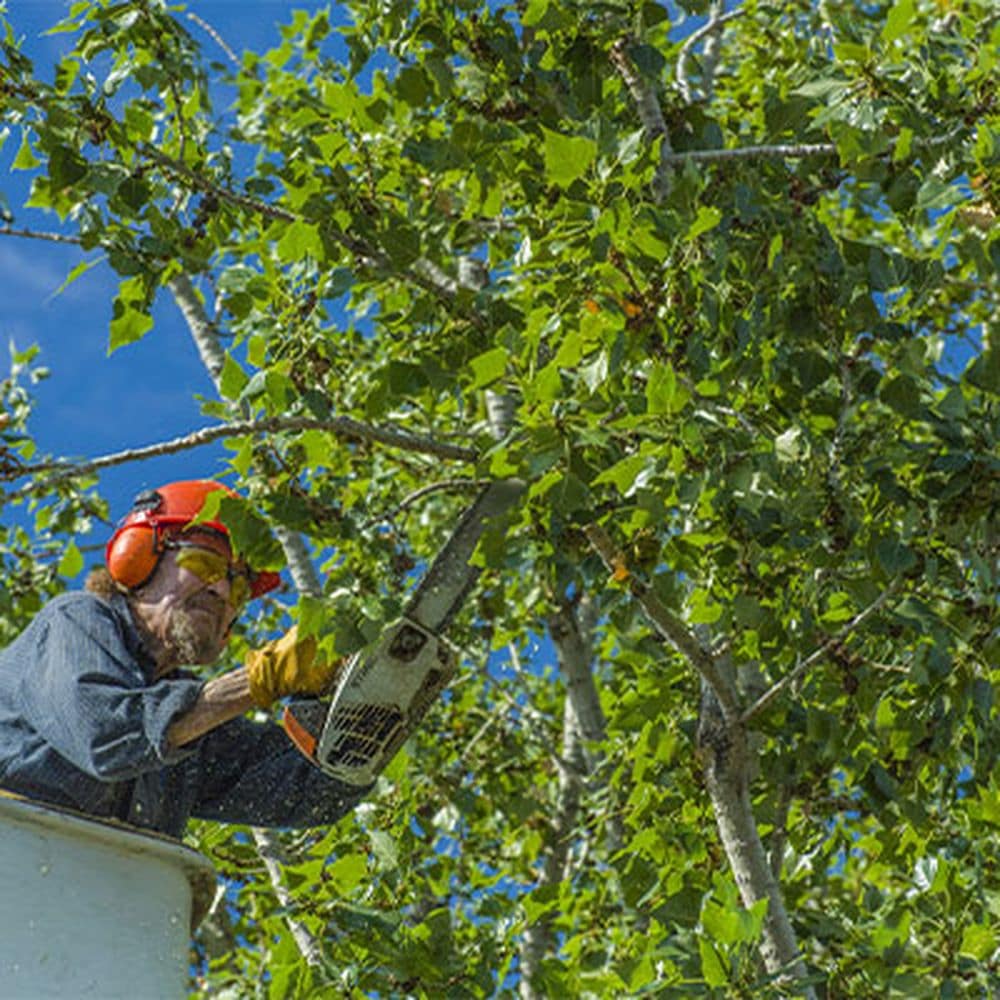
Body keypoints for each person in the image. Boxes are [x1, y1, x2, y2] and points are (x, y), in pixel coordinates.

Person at [0, 479, 368, 838]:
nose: (221, 590)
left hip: (91, 890)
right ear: (139, 558)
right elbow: (107, 735)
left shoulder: (194, 724)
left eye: (238, 587)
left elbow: (306, 789)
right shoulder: (75, 620)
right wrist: (259, 679)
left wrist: (370, 705)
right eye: (205, 563)